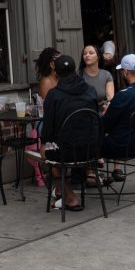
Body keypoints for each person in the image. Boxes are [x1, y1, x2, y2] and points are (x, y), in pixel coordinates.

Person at [40, 54, 98, 211]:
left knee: (46, 152)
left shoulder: (53, 95)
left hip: (68, 152)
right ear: (75, 70)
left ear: (56, 74)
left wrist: (45, 143)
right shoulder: (90, 90)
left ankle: (70, 198)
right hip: (93, 149)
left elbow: (47, 132)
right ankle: (60, 191)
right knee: (62, 145)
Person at [79, 44, 115, 109]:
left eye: (91, 53)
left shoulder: (106, 75)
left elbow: (110, 97)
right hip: (83, 112)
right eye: (84, 54)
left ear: (98, 56)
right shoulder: (77, 75)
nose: (87, 55)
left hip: (101, 112)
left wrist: (107, 107)